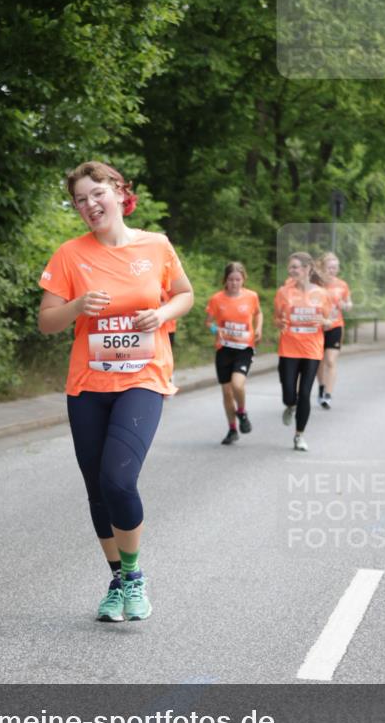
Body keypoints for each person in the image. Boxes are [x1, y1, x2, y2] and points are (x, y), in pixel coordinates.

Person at [38, 161, 193, 622]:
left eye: (96, 194)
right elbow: (47, 322)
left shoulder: (156, 245)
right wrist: (77, 306)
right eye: (80, 200)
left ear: (119, 192)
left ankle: (134, 574)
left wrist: (163, 314)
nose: (89, 205)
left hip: (143, 378)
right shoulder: (69, 255)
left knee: (118, 479)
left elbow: (184, 294)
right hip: (88, 385)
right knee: (96, 490)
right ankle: (118, 579)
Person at [274, 252, 332, 451]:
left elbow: (329, 320)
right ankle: (290, 405)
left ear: (307, 269)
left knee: (305, 393)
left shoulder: (322, 294)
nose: (292, 270)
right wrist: (279, 322)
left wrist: (324, 322)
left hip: (312, 349)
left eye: (295, 267)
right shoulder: (284, 292)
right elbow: (276, 318)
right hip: (288, 347)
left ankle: (299, 435)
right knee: (289, 392)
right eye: (290, 267)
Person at [205, 262, 262, 445]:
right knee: (226, 392)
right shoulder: (217, 299)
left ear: (243, 280)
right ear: (225, 280)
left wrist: (259, 328)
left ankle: (242, 413)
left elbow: (258, 313)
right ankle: (232, 429)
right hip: (224, 349)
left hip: (244, 348)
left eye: (238, 279)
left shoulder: (251, 296)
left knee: (237, 385)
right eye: (231, 279)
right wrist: (216, 330)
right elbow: (208, 322)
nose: (234, 283)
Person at [315, 252, 352, 409]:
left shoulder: (342, 285)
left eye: (335, 268)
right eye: (329, 267)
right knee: (319, 362)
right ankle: (322, 386)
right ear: (323, 268)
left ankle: (328, 395)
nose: (332, 270)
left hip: (336, 325)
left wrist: (346, 305)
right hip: (318, 328)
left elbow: (349, 303)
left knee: (330, 360)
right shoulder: (316, 284)